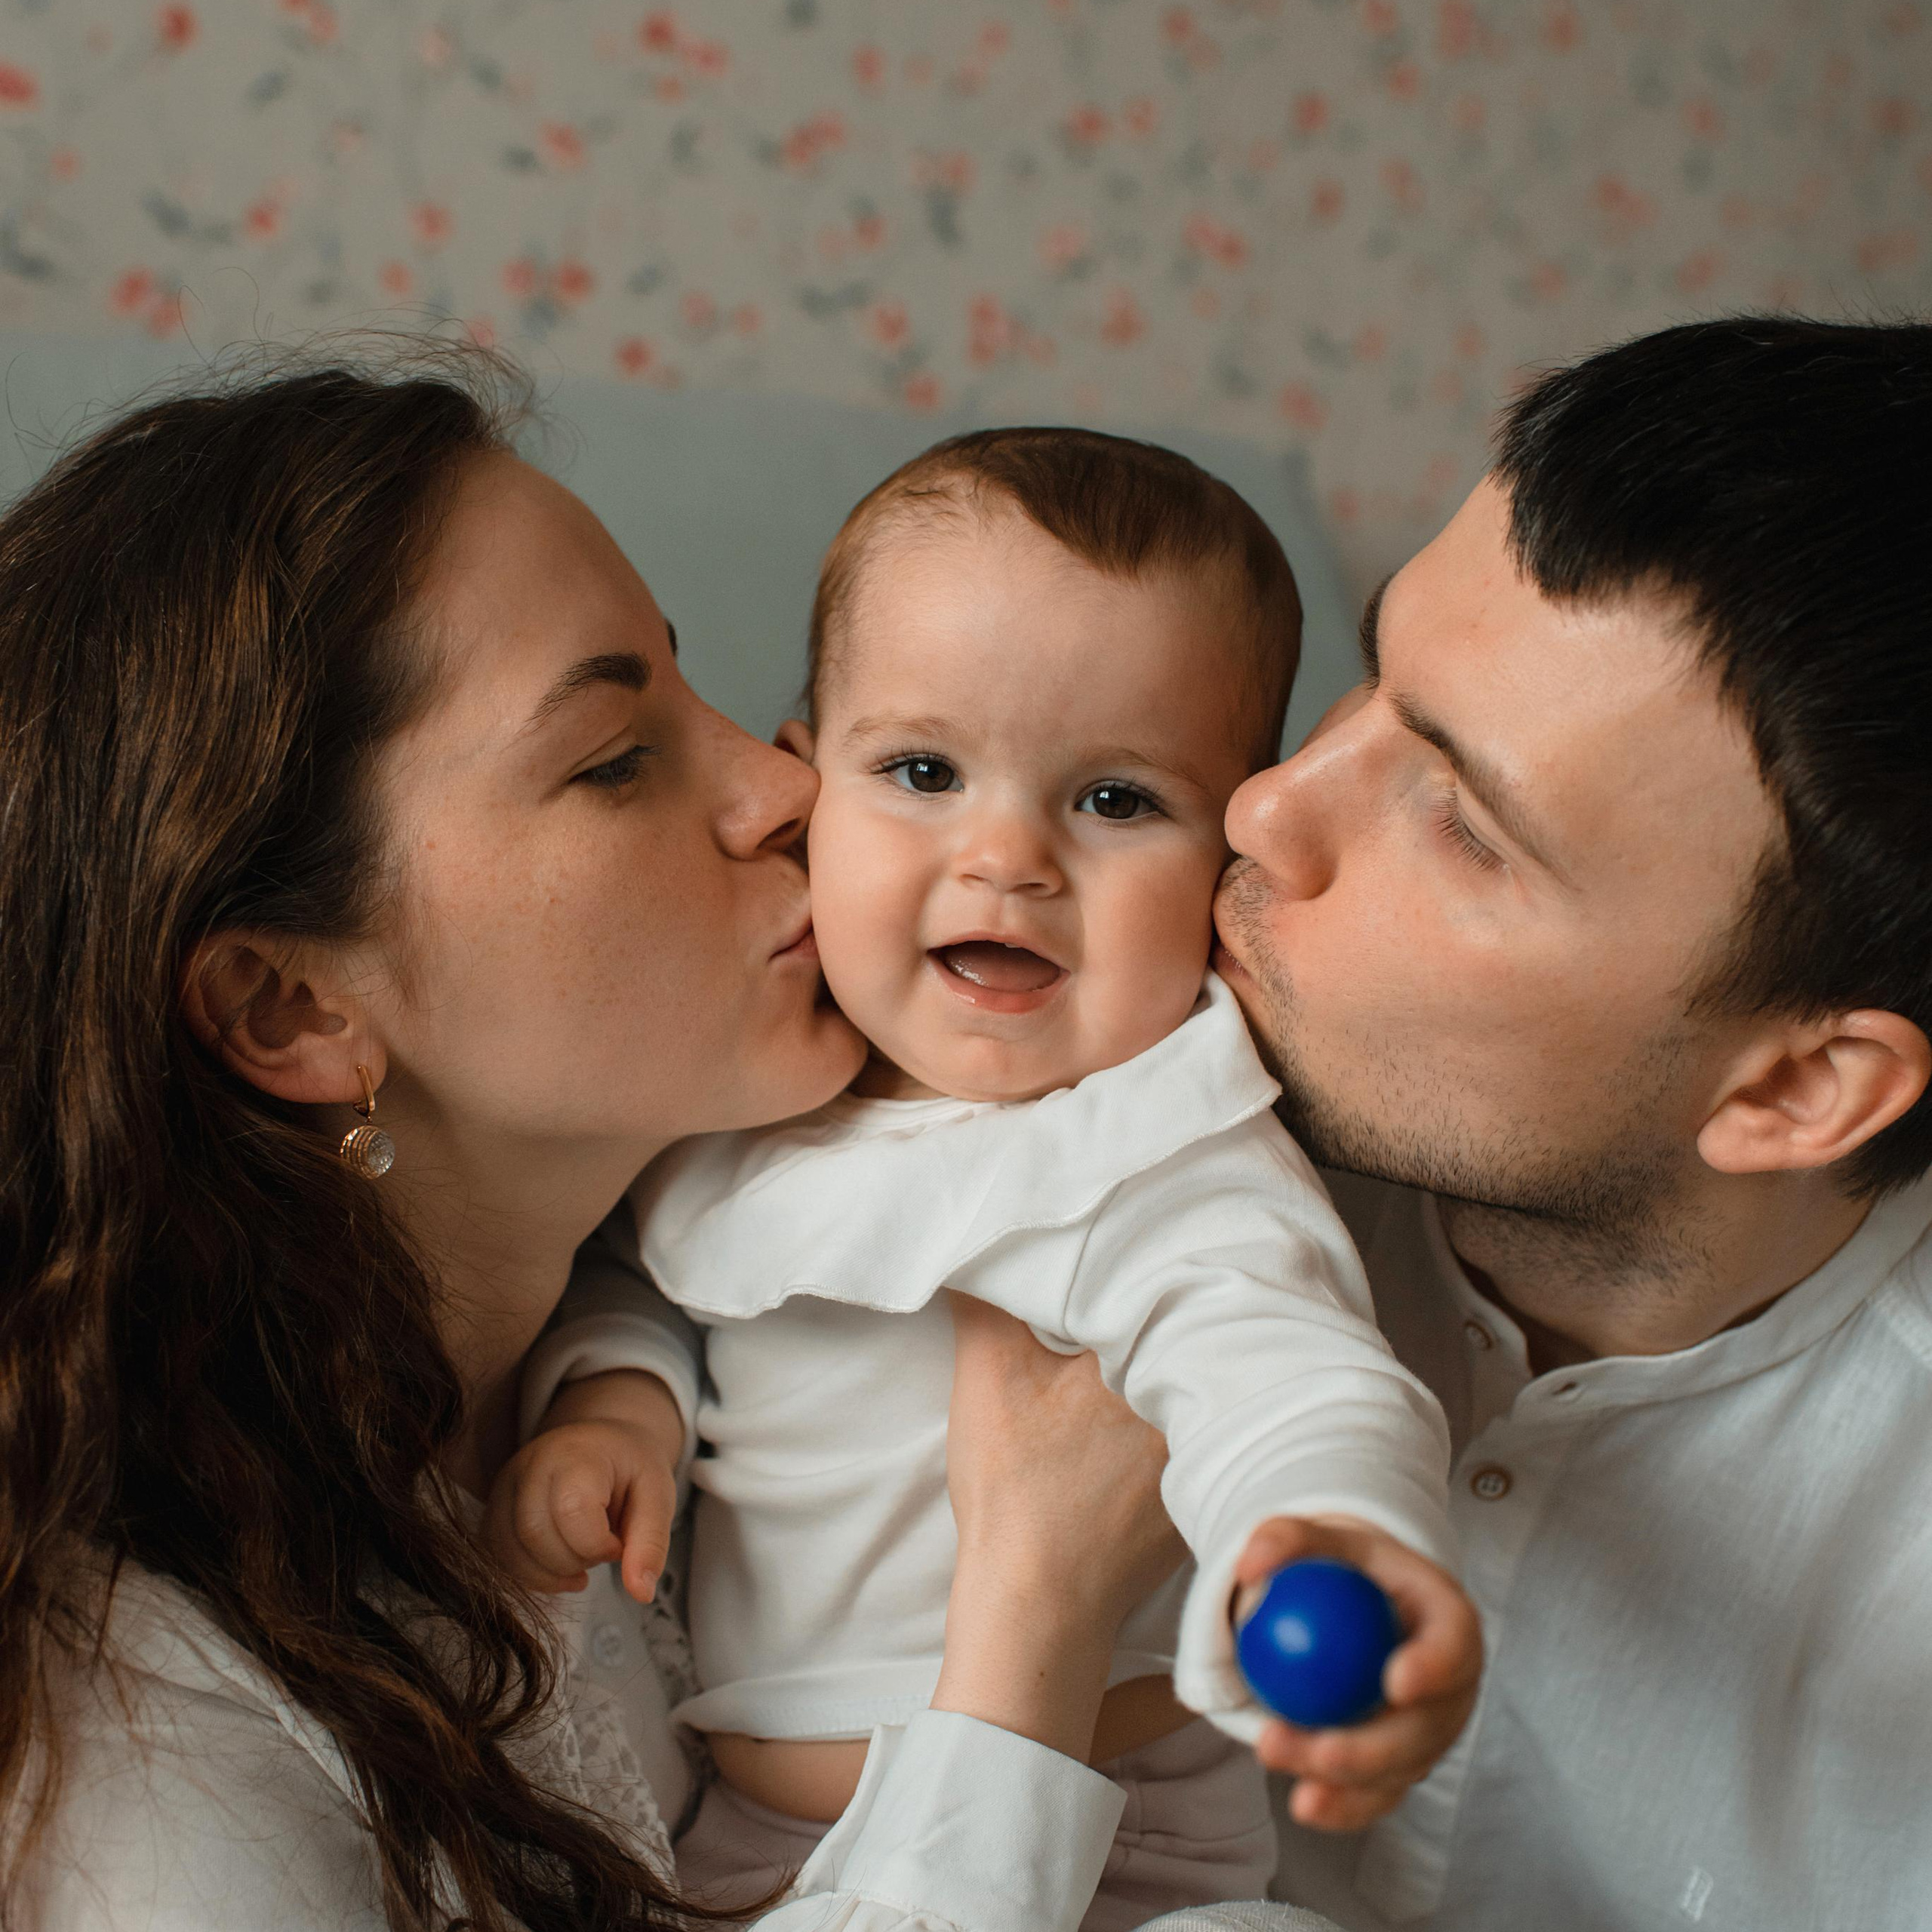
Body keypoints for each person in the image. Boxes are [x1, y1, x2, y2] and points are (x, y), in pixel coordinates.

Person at [0, 346, 1253, 1932]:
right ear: (289, 1007)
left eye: (688, 680)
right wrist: (1031, 1620)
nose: (784, 783)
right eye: (610, 761)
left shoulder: (727, 1311)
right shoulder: (148, 1756)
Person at [490, 430, 1481, 1929]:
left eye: (1115, 799)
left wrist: (1330, 1530)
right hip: (746, 1846)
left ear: (1229, 859)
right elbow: (654, 1275)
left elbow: (1283, 1367)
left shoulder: (1158, 1144)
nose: (1006, 852)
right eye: (921, 769)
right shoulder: (741, 1097)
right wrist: (615, 1390)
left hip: (1137, 1863)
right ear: (805, 780)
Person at [1211, 316, 1932, 1930]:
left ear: (1793, 1088)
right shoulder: (1106, 1134)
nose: (1266, 805)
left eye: (1460, 825)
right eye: (1373, 672)